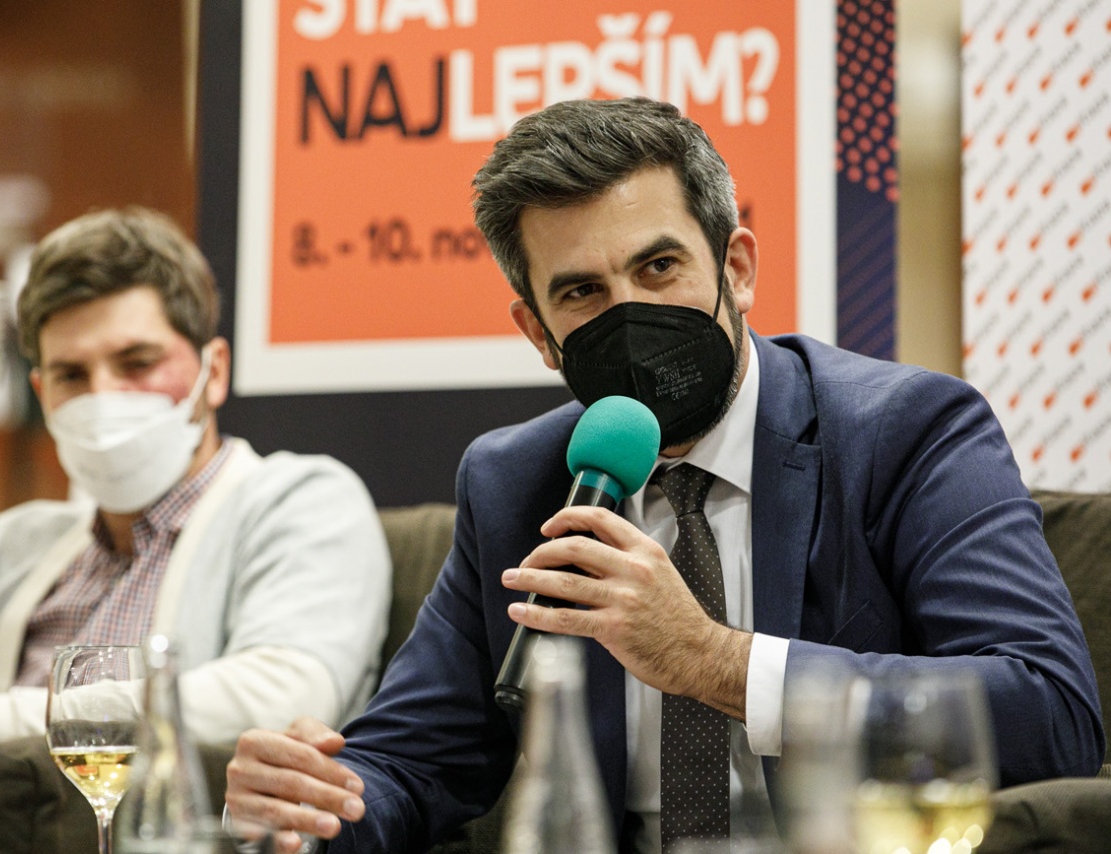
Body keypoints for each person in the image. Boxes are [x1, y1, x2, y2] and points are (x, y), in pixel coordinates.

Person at [222, 98, 1105, 853]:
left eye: (658, 267)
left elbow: (1052, 713)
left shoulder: (906, 432)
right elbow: (410, 765)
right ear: (538, 333)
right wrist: (308, 805)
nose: (631, 314)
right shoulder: (517, 483)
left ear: (736, 268)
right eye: (582, 293)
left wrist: (715, 660)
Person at [0, 206, 391, 853]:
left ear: (214, 372)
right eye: (72, 375)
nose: (104, 396)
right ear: (42, 392)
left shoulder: (300, 499)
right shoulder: (23, 542)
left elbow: (280, 694)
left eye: (137, 362)